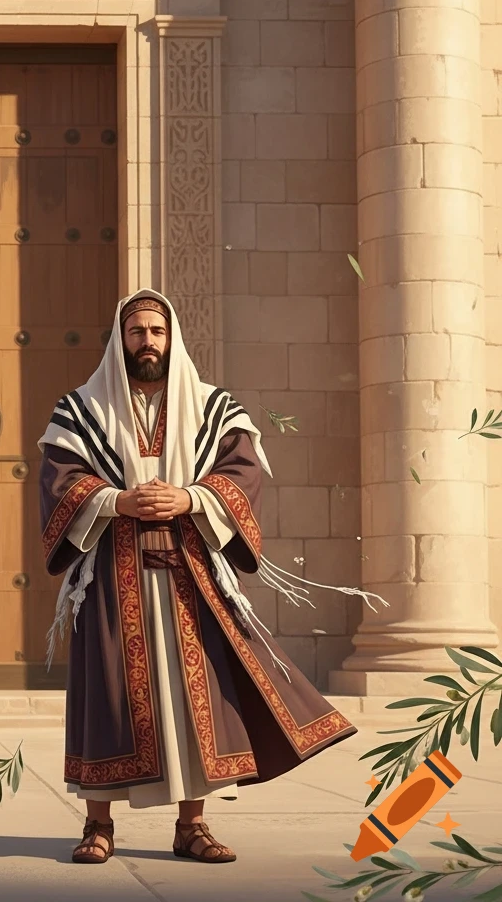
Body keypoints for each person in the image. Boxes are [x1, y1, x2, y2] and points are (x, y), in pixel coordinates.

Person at [38, 289, 386, 865]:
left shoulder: (213, 406)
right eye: (136, 332)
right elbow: (58, 478)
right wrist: (117, 501)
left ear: (172, 337)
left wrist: (188, 496)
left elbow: (242, 474)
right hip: (110, 572)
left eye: (156, 331)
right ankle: (98, 824)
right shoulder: (81, 409)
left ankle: (191, 826)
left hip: (189, 571)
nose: (146, 341)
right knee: (109, 696)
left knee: (189, 697)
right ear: (119, 340)